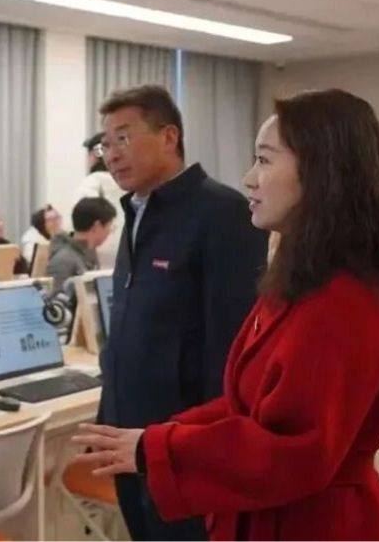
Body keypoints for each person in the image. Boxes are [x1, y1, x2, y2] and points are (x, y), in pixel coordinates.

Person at [73, 88, 379, 540]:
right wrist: (158, 438)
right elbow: (248, 401)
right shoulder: (302, 278)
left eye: (264, 160)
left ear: (322, 172)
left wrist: (162, 446)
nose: (249, 178)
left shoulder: (347, 299)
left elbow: (293, 448)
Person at [92, 85, 268, 540]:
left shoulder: (224, 213)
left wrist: (208, 447)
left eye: (123, 137)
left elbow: (231, 346)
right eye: (105, 144)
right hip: (127, 437)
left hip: (183, 444)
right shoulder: (136, 213)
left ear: (169, 136)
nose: (112, 155)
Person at [47, 197, 116, 306]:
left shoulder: (89, 253)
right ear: (97, 226)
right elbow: (56, 308)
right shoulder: (63, 260)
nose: (109, 232)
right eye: (109, 226)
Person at [74, 132, 126, 270]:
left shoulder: (92, 182)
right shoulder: (126, 181)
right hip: (126, 249)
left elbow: (83, 217)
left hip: (100, 251)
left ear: (95, 155)